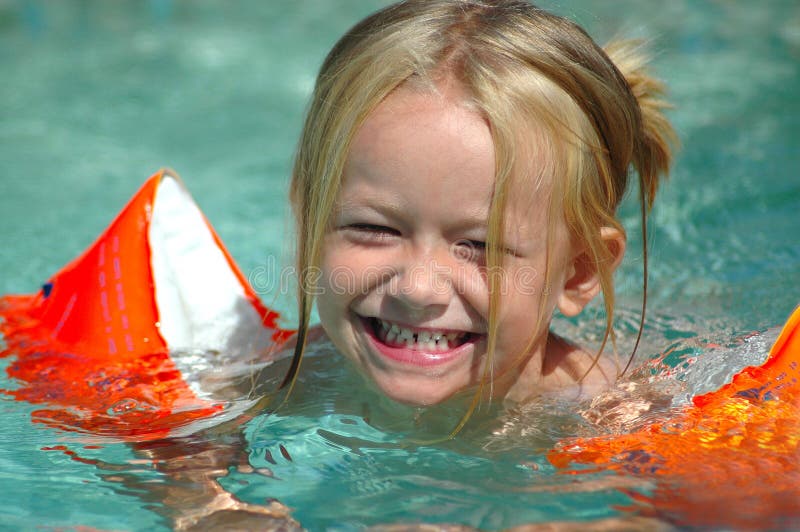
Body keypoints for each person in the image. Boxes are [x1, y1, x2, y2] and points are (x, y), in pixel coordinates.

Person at [282, 0, 675, 418]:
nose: (417, 289)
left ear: (579, 270)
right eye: (375, 229)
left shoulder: (619, 422)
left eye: (479, 244)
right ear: (309, 223)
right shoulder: (289, 379)